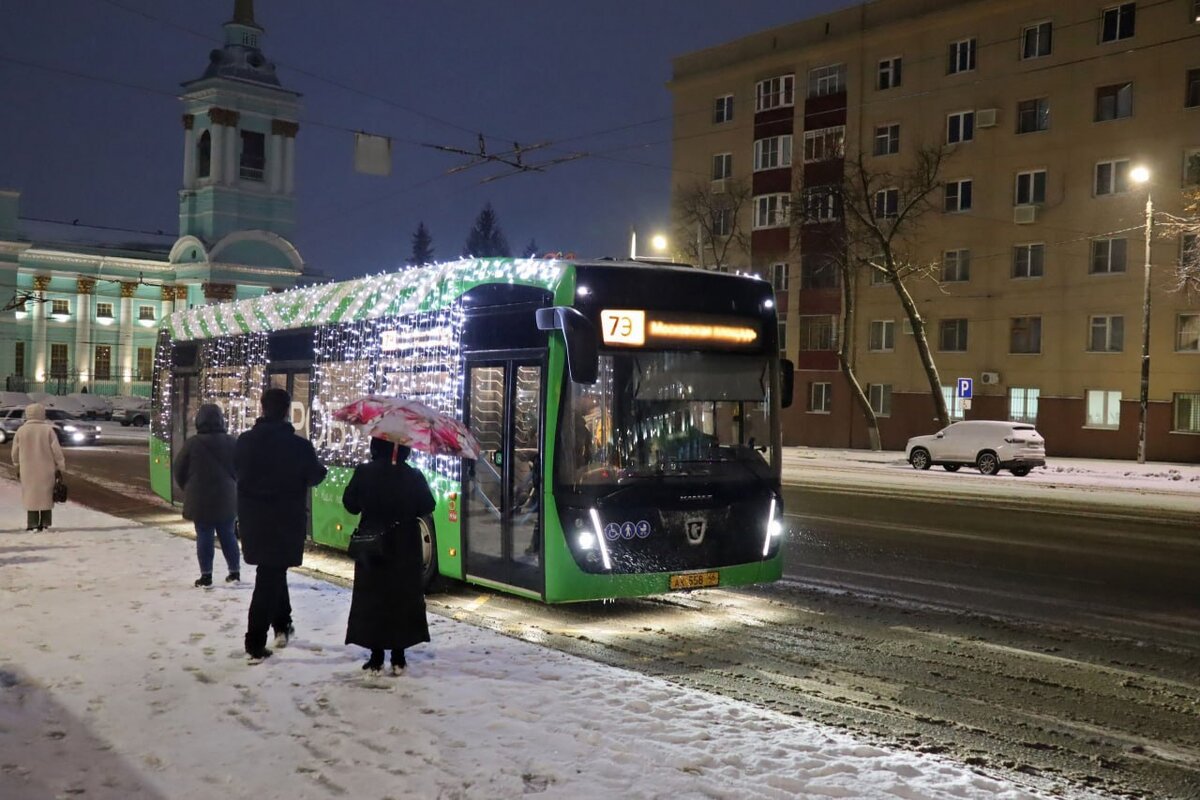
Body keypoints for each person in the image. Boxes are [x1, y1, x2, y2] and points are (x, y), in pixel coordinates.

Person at [235, 388, 326, 661]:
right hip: (285, 522)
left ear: (263, 408)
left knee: (273, 571)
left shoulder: (245, 442)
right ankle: (255, 641)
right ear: (287, 410)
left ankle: (282, 624)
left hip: (254, 523)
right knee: (269, 577)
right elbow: (315, 475)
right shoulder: (298, 446)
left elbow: (235, 469)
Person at [343, 437, 435, 674]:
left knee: (373, 598)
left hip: (372, 548)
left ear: (375, 448)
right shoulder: (413, 476)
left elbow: (350, 504)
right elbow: (427, 505)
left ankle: (375, 657)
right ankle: (398, 657)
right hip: (405, 548)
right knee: (401, 599)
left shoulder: (364, 472)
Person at [173, 403, 240, 587]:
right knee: (228, 534)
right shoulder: (232, 442)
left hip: (199, 498)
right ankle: (234, 572)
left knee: (204, 535)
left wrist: (188, 487)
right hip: (227, 498)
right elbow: (241, 469)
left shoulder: (192, 443)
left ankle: (206, 575)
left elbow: (178, 469)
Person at [11, 403, 65, 532]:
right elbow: (56, 450)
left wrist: (16, 464)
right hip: (47, 469)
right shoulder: (48, 430)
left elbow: (15, 451)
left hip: (27, 469)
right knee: (46, 495)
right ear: (42, 413)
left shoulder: (21, 430)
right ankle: (45, 523)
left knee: (30, 495)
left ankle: (32, 523)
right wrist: (60, 465)